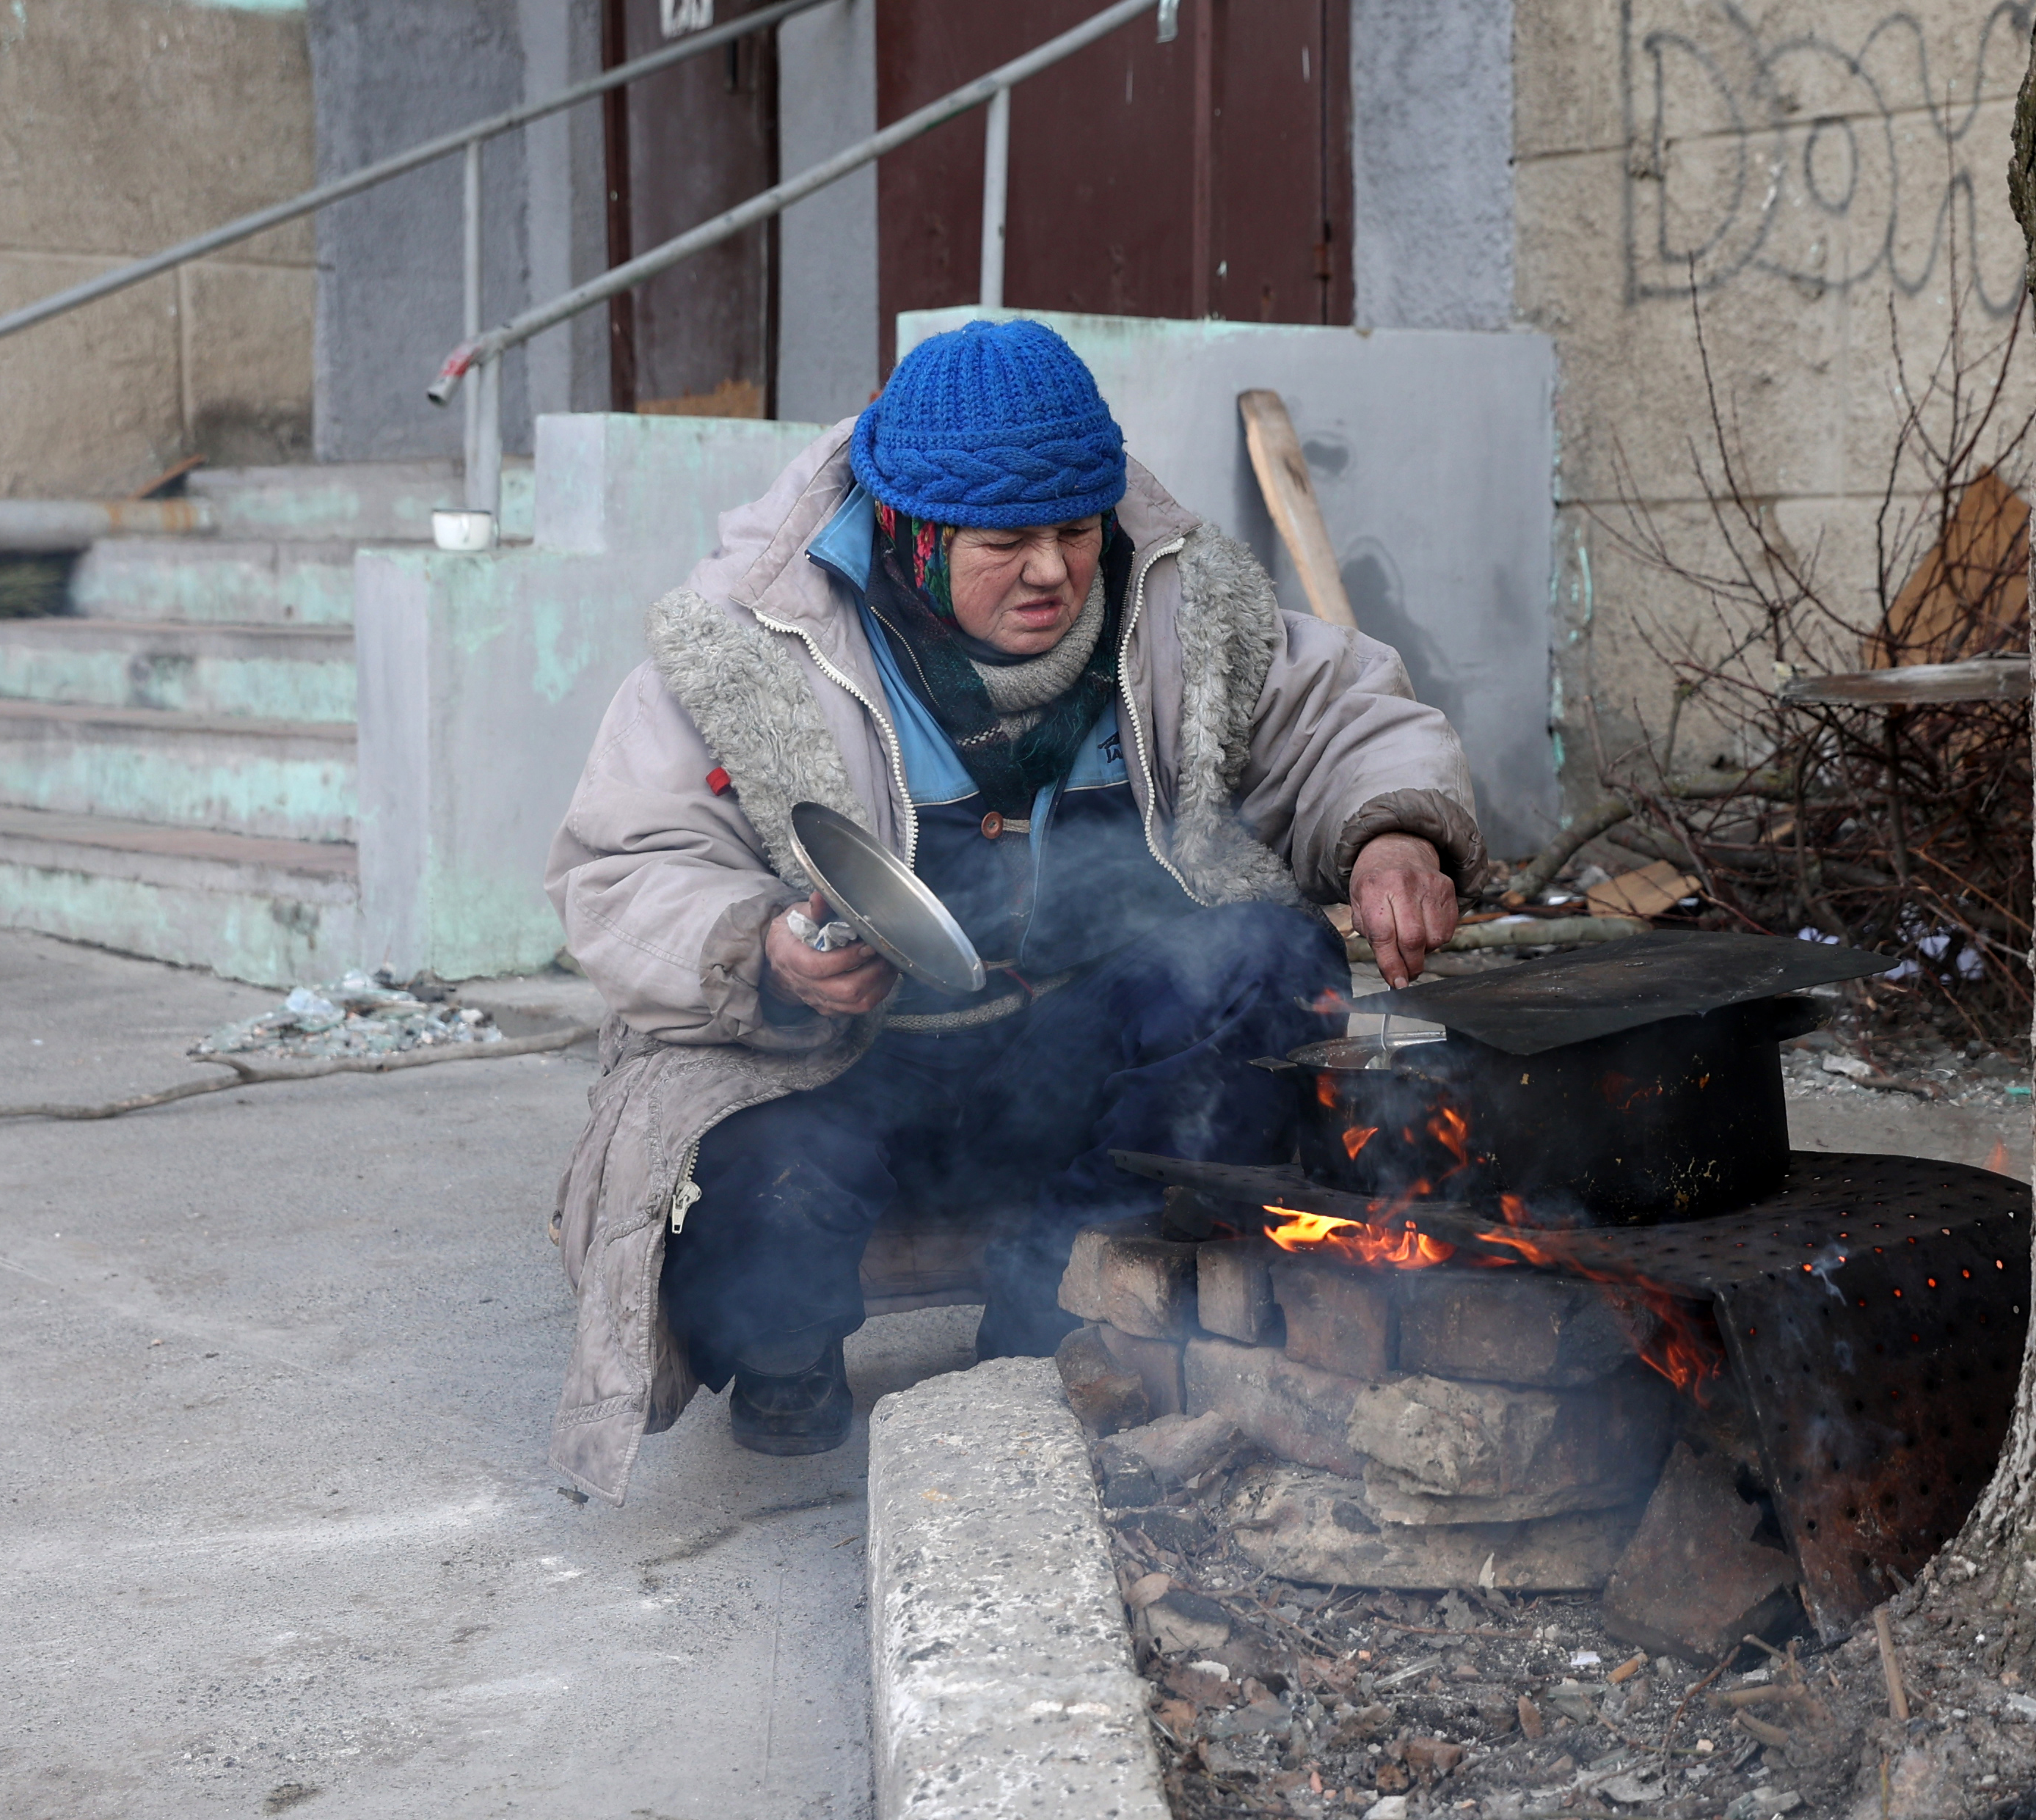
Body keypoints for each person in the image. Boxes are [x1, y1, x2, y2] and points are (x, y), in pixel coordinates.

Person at [541, 319, 1478, 1502]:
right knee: (748, 1177)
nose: (1050, 573)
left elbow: (1340, 714)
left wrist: (1393, 829)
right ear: (906, 530)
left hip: (1074, 1057)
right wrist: (763, 952)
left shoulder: (1175, 606)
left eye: (1075, 532)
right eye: (1006, 541)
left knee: (1269, 961)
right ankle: (787, 1349)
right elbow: (624, 868)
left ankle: (1058, 1314)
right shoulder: (753, 642)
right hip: (852, 1061)